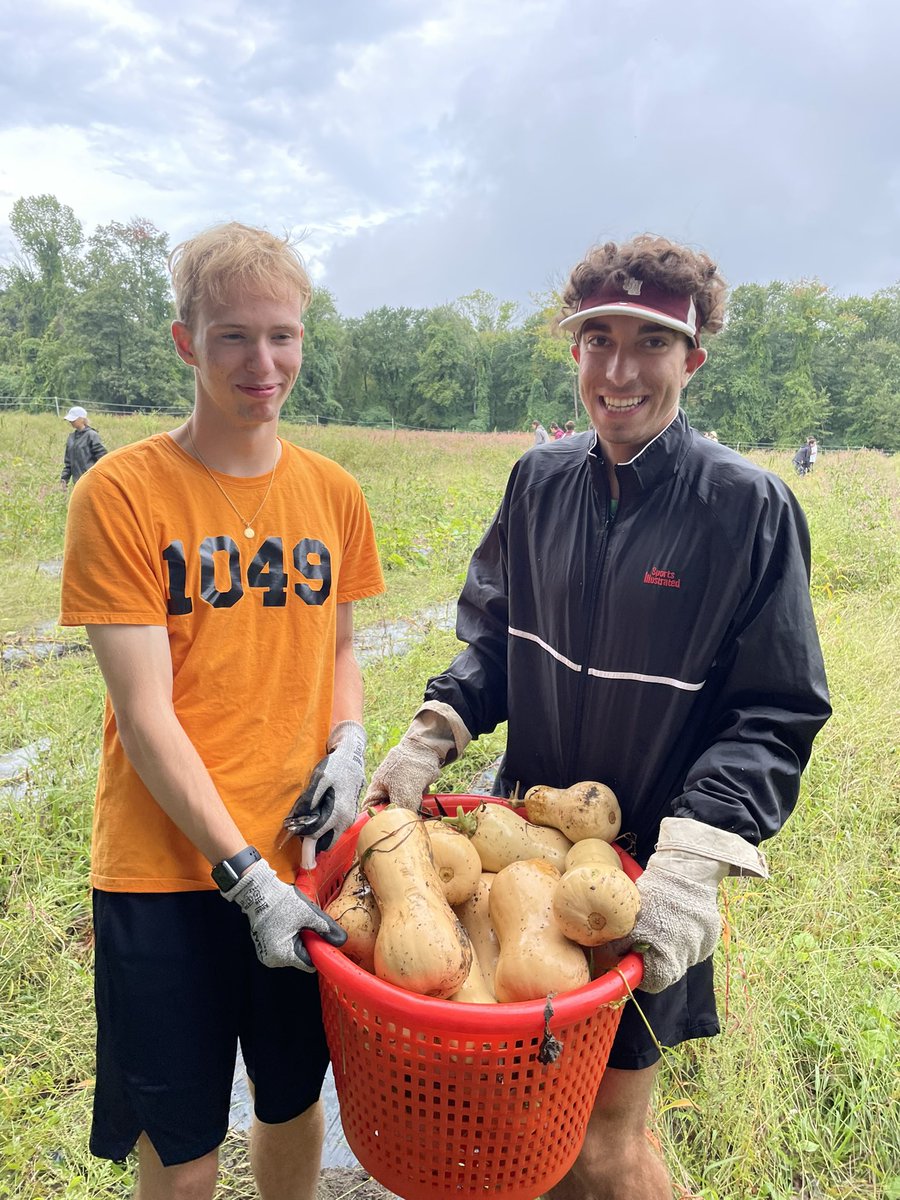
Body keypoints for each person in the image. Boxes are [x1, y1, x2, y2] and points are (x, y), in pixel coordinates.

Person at [365, 234, 830, 1200]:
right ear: (573, 350)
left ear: (692, 357)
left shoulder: (746, 509)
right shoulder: (539, 482)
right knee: (527, 1123)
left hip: (642, 883)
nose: (620, 371)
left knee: (604, 1145)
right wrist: (432, 735)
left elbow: (775, 711)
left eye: (651, 343)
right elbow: (495, 639)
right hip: (523, 870)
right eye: (599, 340)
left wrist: (693, 863)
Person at [60, 222, 385, 1200]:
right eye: (234, 336)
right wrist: (242, 877)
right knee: (186, 1141)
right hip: (165, 876)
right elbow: (145, 715)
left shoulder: (331, 494)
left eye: (282, 335)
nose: (263, 361)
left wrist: (348, 737)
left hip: (301, 856)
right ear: (185, 341)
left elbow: (336, 650)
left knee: (290, 1100)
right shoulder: (122, 495)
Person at [60, 405, 107, 490]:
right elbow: (68, 463)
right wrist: (64, 478)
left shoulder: (92, 435)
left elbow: (103, 458)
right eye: (70, 420)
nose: (71, 422)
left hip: (91, 481)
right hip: (77, 482)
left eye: (73, 419)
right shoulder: (71, 438)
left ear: (82, 419)